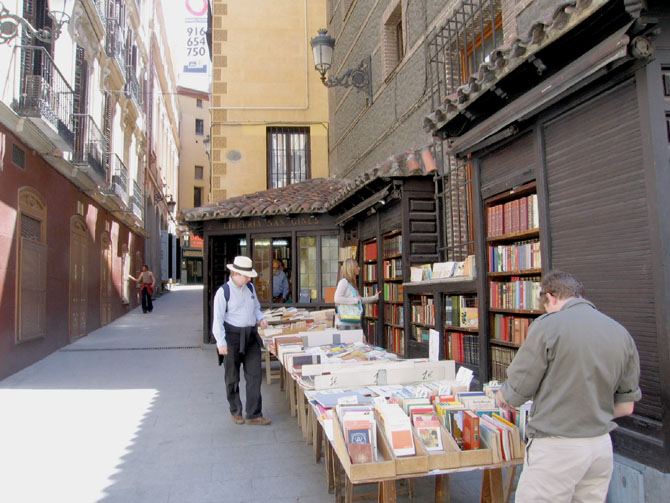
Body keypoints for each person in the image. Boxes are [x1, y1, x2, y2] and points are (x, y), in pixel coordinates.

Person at [495, 270, 641, 503]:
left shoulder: (548, 326)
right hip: (600, 446)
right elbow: (626, 407)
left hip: (557, 446)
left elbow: (517, 390)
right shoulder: (620, 332)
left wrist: (502, 397)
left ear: (551, 297)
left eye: (545, 306)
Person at [212, 256, 270, 425]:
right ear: (235, 273)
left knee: (255, 375)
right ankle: (235, 410)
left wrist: (261, 319)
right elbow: (217, 319)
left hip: (251, 336)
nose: (249, 279)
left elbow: (257, 308)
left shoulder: (250, 288)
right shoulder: (223, 292)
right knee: (232, 376)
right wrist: (221, 343)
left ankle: (254, 413)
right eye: (245, 275)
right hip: (232, 337)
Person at [333, 258, 379, 329]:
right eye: (357, 266)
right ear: (351, 269)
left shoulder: (351, 284)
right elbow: (337, 299)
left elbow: (360, 300)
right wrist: (354, 300)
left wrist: (375, 297)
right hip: (345, 322)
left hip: (353, 321)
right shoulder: (344, 282)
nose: (359, 268)